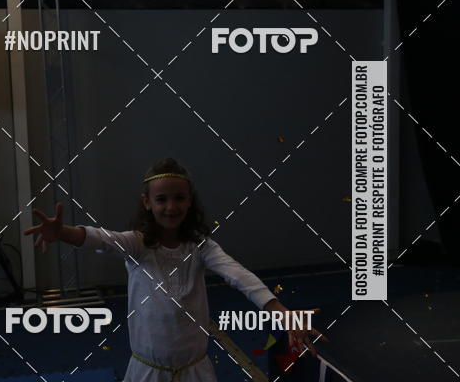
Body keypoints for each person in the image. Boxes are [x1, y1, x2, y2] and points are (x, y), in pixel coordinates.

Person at [25, 158, 325, 381]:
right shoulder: (138, 245)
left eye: (179, 198)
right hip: (148, 371)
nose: (171, 207)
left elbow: (238, 275)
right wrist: (63, 233)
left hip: (194, 370)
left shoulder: (201, 246)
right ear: (147, 202)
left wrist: (281, 312)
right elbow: (101, 238)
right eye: (162, 199)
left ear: (190, 200)